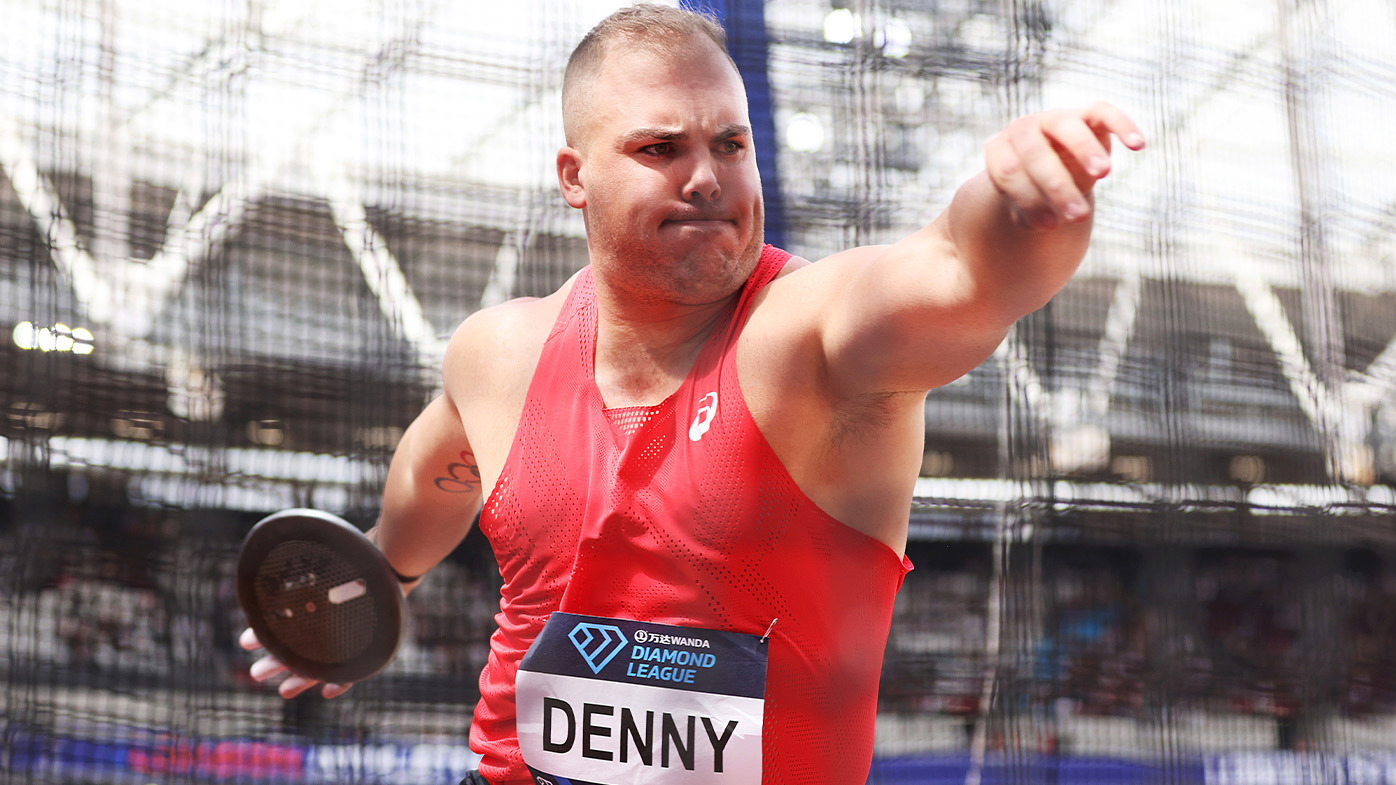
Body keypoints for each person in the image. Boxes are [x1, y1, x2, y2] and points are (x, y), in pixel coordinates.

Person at [242, 4, 1145, 783]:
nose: (706, 176)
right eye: (659, 148)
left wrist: (1022, 200)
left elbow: (958, 272)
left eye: (730, 143)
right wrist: (383, 573)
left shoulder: (809, 340)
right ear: (574, 177)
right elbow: (439, 458)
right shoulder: (500, 352)